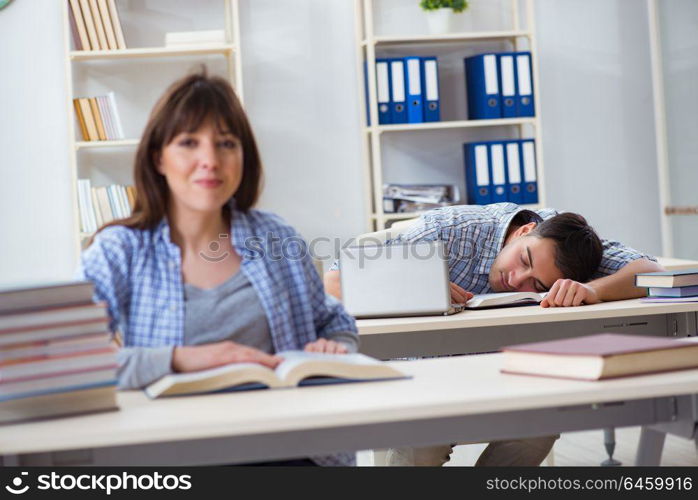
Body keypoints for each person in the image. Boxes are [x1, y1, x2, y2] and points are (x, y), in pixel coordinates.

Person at [77, 71, 358, 466]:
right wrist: (180, 359)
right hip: (175, 458)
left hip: (292, 454)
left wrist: (334, 349)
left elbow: (335, 324)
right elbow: (71, 366)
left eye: (226, 144)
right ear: (158, 157)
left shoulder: (277, 237)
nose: (210, 161)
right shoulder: (119, 250)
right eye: (189, 143)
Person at [323, 203, 664, 466]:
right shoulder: (453, 232)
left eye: (537, 285)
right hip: (425, 380)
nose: (517, 280)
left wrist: (592, 289)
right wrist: (412, 285)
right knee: (424, 439)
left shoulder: (572, 246)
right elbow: (333, 284)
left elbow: (651, 271)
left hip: (505, 379)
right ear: (524, 231)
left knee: (541, 426)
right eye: (523, 260)